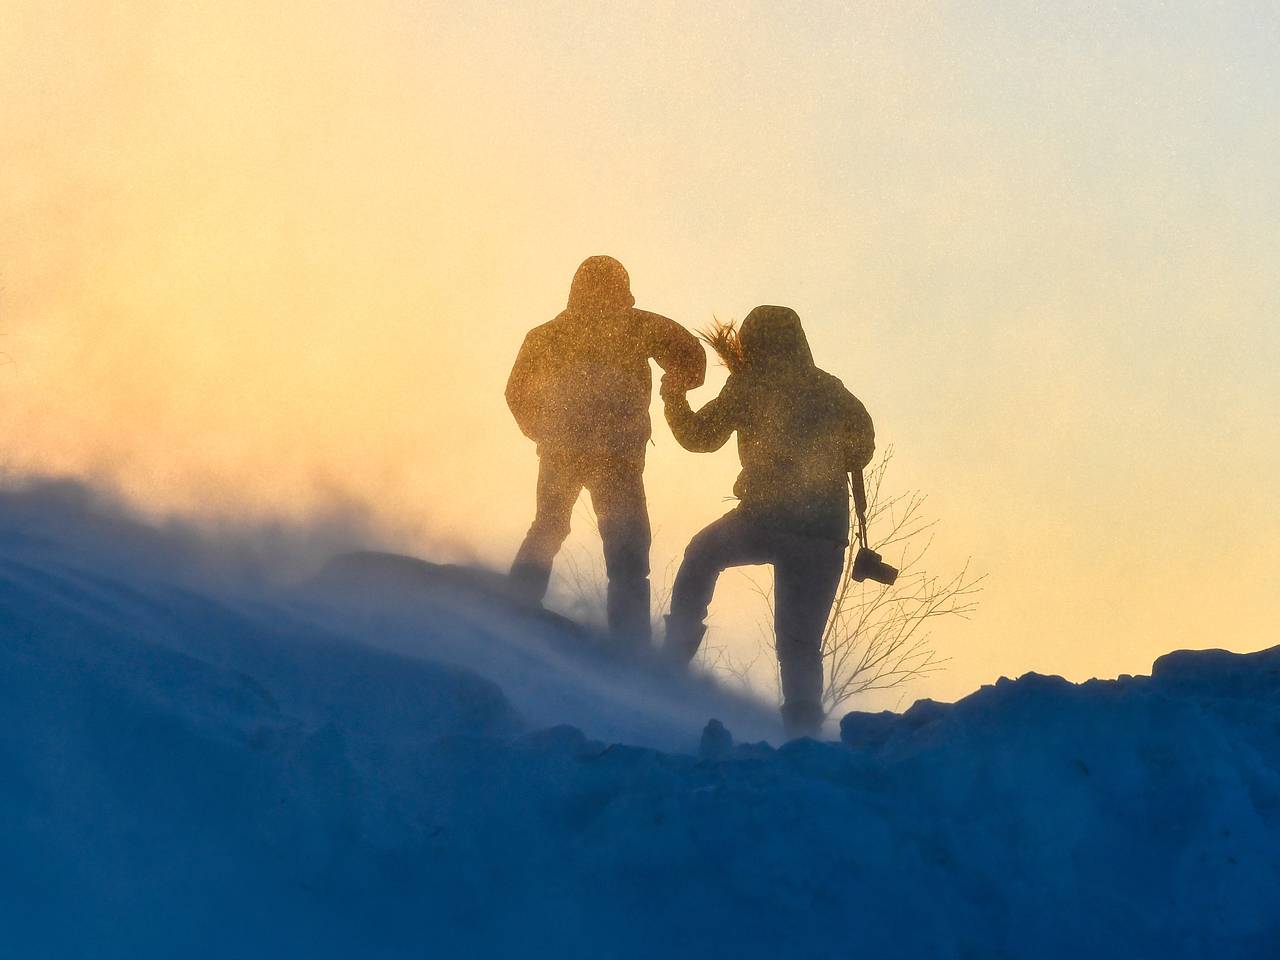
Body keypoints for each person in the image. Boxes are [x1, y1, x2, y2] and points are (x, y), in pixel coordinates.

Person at [660, 305, 874, 737]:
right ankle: (803, 729)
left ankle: (671, 661)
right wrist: (817, 461)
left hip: (763, 519)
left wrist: (673, 399)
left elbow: (701, 438)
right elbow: (862, 448)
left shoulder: (749, 385)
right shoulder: (831, 389)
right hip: (823, 534)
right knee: (799, 643)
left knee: (702, 555)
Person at [506, 256, 705, 648]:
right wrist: (675, 386)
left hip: (565, 450)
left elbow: (516, 393)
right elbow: (692, 360)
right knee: (627, 550)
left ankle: (515, 606)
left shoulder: (549, 333)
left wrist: (545, 431)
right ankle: (629, 645)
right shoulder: (638, 325)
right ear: (623, 286)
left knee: (548, 526)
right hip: (617, 455)